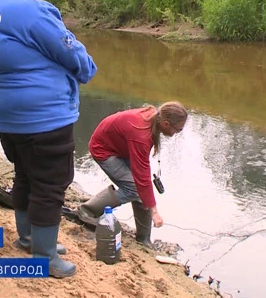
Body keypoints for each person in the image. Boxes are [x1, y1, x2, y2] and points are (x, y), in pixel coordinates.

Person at [0, 0, 97, 278]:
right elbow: (72, 53)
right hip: (44, 116)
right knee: (51, 185)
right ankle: (45, 257)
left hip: (5, 116)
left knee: (26, 175)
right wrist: (87, 69)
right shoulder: (34, 11)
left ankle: (29, 238)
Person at [77, 102, 188, 249]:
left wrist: (149, 200)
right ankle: (86, 211)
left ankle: (144, 239)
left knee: (141, 189)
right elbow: (142, 177)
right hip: (104, 149)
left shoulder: (155, 117)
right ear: (166, 124)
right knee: (135, 189)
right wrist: (154, 212)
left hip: (122, 148)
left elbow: (143, 174)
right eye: (178, 130)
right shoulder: (141, 135)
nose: (177, 133)